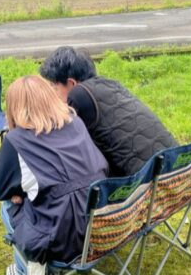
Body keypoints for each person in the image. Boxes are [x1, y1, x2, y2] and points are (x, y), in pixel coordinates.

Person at [0, 75, 108, 275]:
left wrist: (21, 193)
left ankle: (26, 272)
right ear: (50, 97)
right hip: (99, 226)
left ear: (13, 107)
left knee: (8, 203)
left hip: (57, 242)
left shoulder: (16, 140)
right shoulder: (75, 123)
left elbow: (1, 190)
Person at [39, 46, 178, 178]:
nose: (52, 95)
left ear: (71, 83)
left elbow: (61, 143)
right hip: (178, 166)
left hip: (148, 182)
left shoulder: (78, 94)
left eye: (54, 87)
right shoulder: (111, 84)